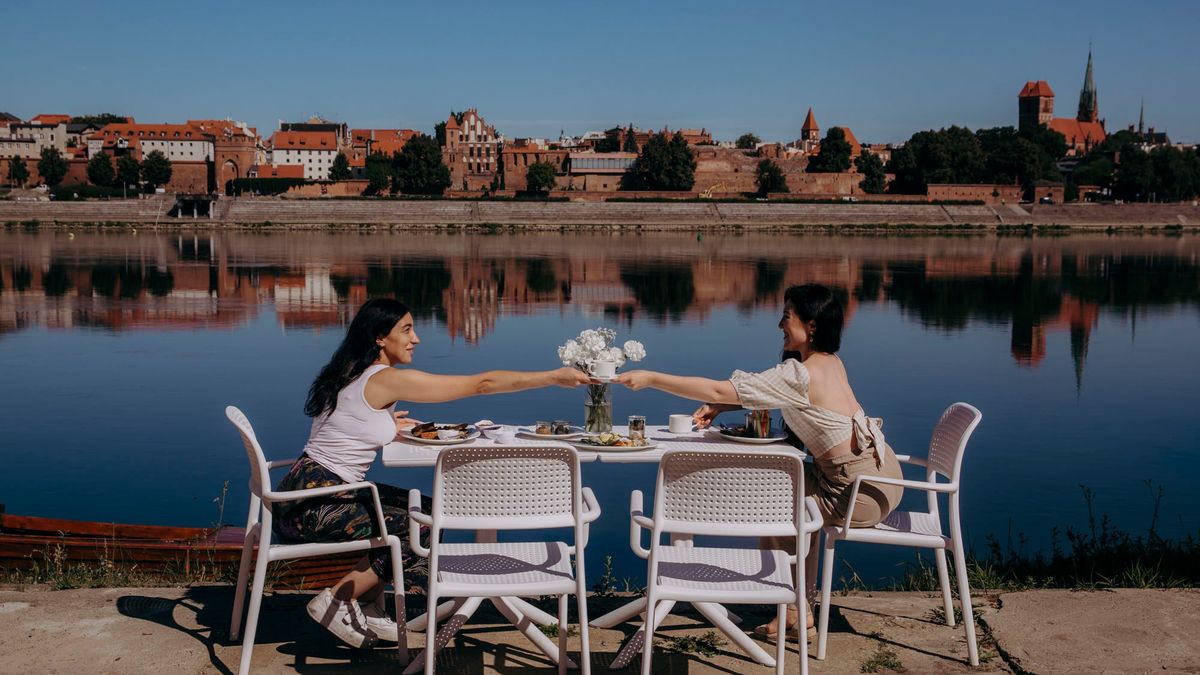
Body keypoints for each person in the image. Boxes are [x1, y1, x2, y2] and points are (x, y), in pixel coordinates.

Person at [275, 298, 590, 648]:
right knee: (422, 527)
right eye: (407, 330)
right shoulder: (385, 380)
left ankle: (368, 606)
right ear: (380, 337)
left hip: (301, 492)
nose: (417, 339)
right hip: (314, 506)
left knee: (425, 510)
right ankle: (337, 599)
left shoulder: (351, 372)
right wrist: (553, 377)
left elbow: (348, 420)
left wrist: (384, 422)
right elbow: (482, 384)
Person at [616, 283, 903, 640]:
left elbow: (720, 388)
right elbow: (775, 395)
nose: (780, 324)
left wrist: (651, 379)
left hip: (856, 493)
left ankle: (794, 611)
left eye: (787, 316)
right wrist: (726, 406)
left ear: (812, 325)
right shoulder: (828, 362)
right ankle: (798, 609)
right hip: (882, 475)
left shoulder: (801, 374)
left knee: (775, 505)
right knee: (780, 489)